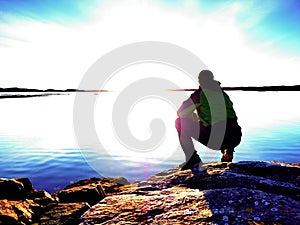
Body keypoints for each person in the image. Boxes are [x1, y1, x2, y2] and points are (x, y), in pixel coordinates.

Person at [175, 70, 242, 170]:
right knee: (222, 124)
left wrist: (195, 117)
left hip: (217, 138)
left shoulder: (199, 94)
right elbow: (229, 117)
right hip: (235, 136)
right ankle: (227, 152)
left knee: (179, 122)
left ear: (200, 81)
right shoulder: (222, 94)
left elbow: (181, 112)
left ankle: (193, 160)